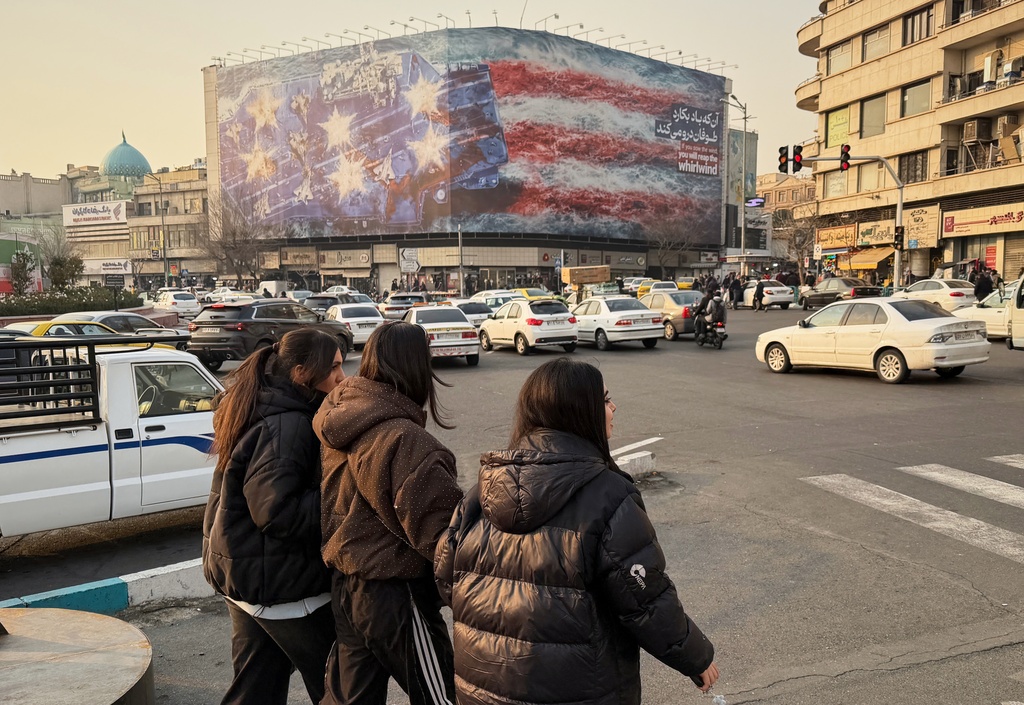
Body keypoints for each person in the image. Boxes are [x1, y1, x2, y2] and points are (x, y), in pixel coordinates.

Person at [435, 358, 719, 705]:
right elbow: (645, 601)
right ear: (579, 411)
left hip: (483, 687)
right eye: (605, 400)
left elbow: (448, 578)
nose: (614, 407)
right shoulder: (609, 496)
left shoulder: (482, 491)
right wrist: (696, 657)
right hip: (579, 689)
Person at [315, 322, 464, 705]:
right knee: (442, 697)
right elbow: (444, 541)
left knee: (351, 698)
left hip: (348, 586)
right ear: (417, 368)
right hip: (395, 592)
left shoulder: (342, 414)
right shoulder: (407, 440)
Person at [202, 328, 346, 705]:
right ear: (300, 373)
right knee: (341, 690)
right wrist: (341, 495)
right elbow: (275, 510)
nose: (341, 378)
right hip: (285, 589)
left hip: (248, 581)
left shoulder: (259, 403)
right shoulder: (289, 423)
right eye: (333, 368)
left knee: (254, 692)